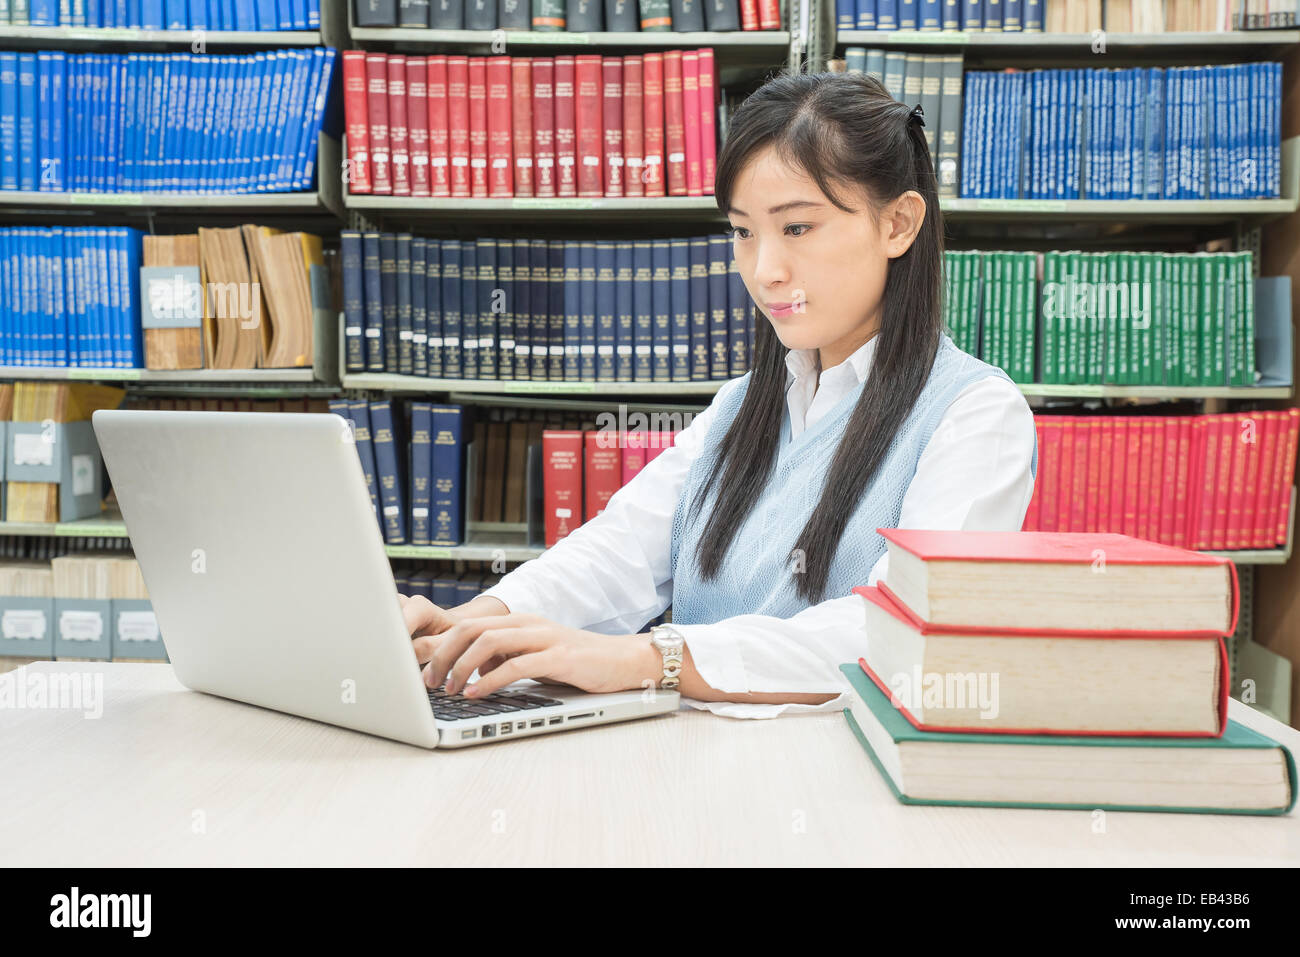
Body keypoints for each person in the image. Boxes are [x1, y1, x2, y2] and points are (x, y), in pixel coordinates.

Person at [398, 71, 1038, 718]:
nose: (764, 270)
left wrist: (652, 659)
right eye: (742, 232)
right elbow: (616, 553)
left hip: (840, 791)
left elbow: (902, 631)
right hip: (691, 772)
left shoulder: (975, 415)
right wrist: (475, 624)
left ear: (898, 223)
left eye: (796, 229)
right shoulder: (739, 407)